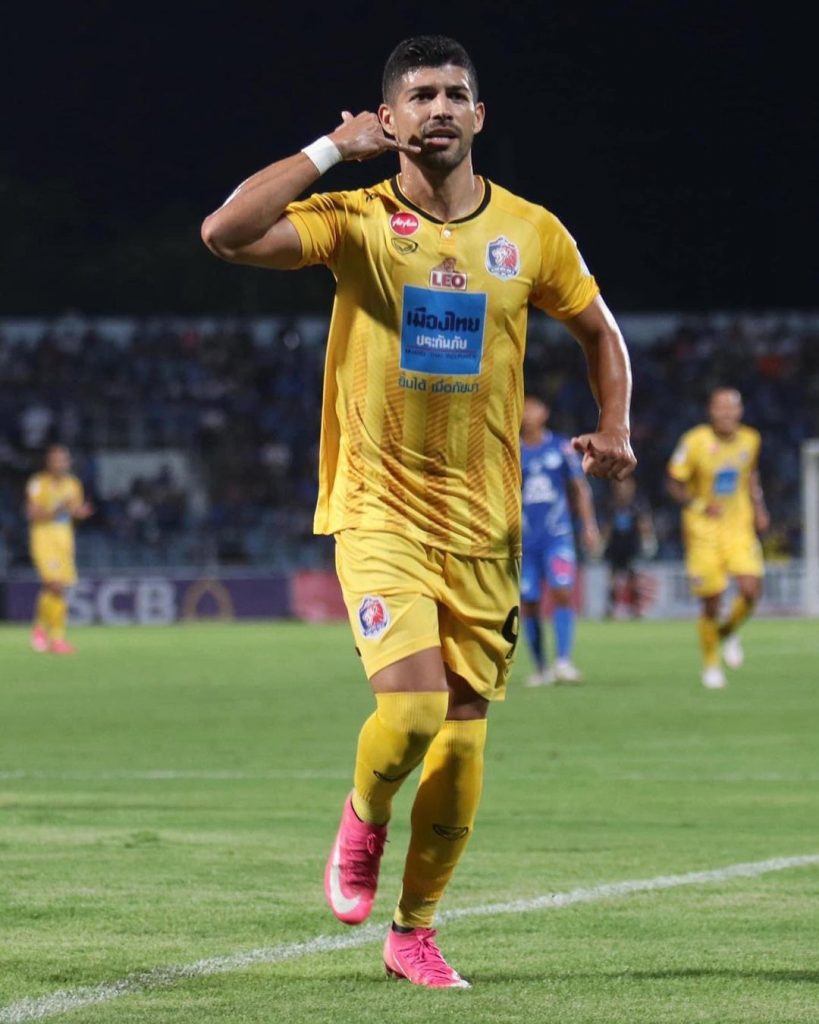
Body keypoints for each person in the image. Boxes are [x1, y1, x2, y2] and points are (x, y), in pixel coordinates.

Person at [202, 34, 636, 988]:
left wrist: (614, 425)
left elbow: (599, 332)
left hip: (485, 524)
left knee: (463, 739)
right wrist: (329, 150)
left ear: (479, 116)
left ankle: (414, 930)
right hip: (379, 508)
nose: (439, 107)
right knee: (409, 713)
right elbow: (226, 233)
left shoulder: (530, 232)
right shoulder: (356, 218)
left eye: (454, 93)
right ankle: (362, 820)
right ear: (389, 118)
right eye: (420, 95)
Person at [667, 388, 768, 689]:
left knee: (751, 590)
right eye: (720, 407)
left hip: (739, 527)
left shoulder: (751, 439)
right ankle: (711, 666)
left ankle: (726, 632)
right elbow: (673, 483)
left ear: (740, 411)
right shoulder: (694, 441)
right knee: (712, 601)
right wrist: (699, 505)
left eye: (731, 407)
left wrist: (760, 508)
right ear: (710, 411)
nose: (726, 413)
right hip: (703, 531)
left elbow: (751, 475)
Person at [520, 394, 600, 686]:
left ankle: (564, 661)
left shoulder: (560, 447)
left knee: (563, 591)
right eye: (524, 408)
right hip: (523, 541)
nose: (528, 414)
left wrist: (589, 526)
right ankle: (541, 668)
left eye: (534, 408)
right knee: (528, 601)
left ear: (545, 412)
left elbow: (580, 487)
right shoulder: (511, 451)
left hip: (557, 536)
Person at [26, 444, 93, 654]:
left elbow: (72, 512)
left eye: (63, 460)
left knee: (58, 588)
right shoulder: (38, 483)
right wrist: (58, 510)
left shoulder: (73, 485)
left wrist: (80, 513)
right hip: (43, 538)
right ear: (49, 462)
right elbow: (33, 514)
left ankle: (40, 628)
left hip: (64, 539)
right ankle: (56, 639)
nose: (60, 464)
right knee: (54, 585)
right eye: (56, 460)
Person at [601, 476, 657, 619]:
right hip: (615, 546)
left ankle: (636, 609)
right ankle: (611, 608)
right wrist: (602, 543)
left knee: (633, 580)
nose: (622, 490)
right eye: (619, 487)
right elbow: (607, 527)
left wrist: (648, 540)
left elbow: (644, 523)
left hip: (631, 546)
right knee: (613, 580)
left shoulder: (637, 505)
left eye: (625, 487)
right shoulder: (611, 505)